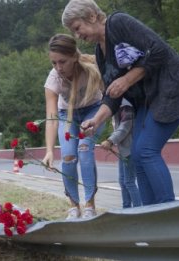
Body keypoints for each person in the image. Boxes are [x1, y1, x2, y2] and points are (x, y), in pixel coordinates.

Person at [62, 0, 179, 205]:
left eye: (77, 28)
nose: (78, 35)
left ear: (92, 17)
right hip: (147, 101)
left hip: (170, 88)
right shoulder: (100, 55)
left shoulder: (118, 23)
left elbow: (159, 49)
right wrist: (96, 119)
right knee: (135, 156)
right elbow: (113, 95)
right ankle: (148, 214)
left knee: (146, 150)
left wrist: (127, 79)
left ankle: (169, 212)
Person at [42, 33, 105, 219]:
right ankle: (73, 206)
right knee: (68, 157)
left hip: (93, 110)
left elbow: (111, 97)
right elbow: (52, 117)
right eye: (54, 63)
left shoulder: (92, 68)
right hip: (66, 114)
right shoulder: (54, 79)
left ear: (74, 57)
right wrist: (49, 150)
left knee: (84, 148)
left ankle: (90, 206)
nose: (58, 67)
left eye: (62, 62)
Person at [100, 98, 141, 208]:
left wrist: (110, 140)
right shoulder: (119, 107)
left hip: (130, 150)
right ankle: (126, 208)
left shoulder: (126, 106)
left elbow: (125, 128)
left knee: (129, 182)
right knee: (123, 181)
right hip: (124, 150)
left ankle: (139, 209)